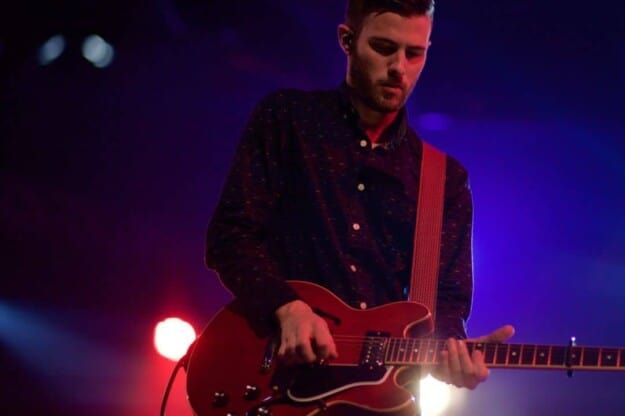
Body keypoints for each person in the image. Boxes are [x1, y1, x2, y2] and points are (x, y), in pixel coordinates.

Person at [205, 0, 515, 399]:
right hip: (273, 386)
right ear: (347, 41)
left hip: (384, 399)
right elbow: (230, 236)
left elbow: (447, 303)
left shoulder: (445, 179)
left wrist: (453, 353)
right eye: (384, 48)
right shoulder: (286, 120)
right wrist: (286, 306)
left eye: (414, 53)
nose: (399, 68)